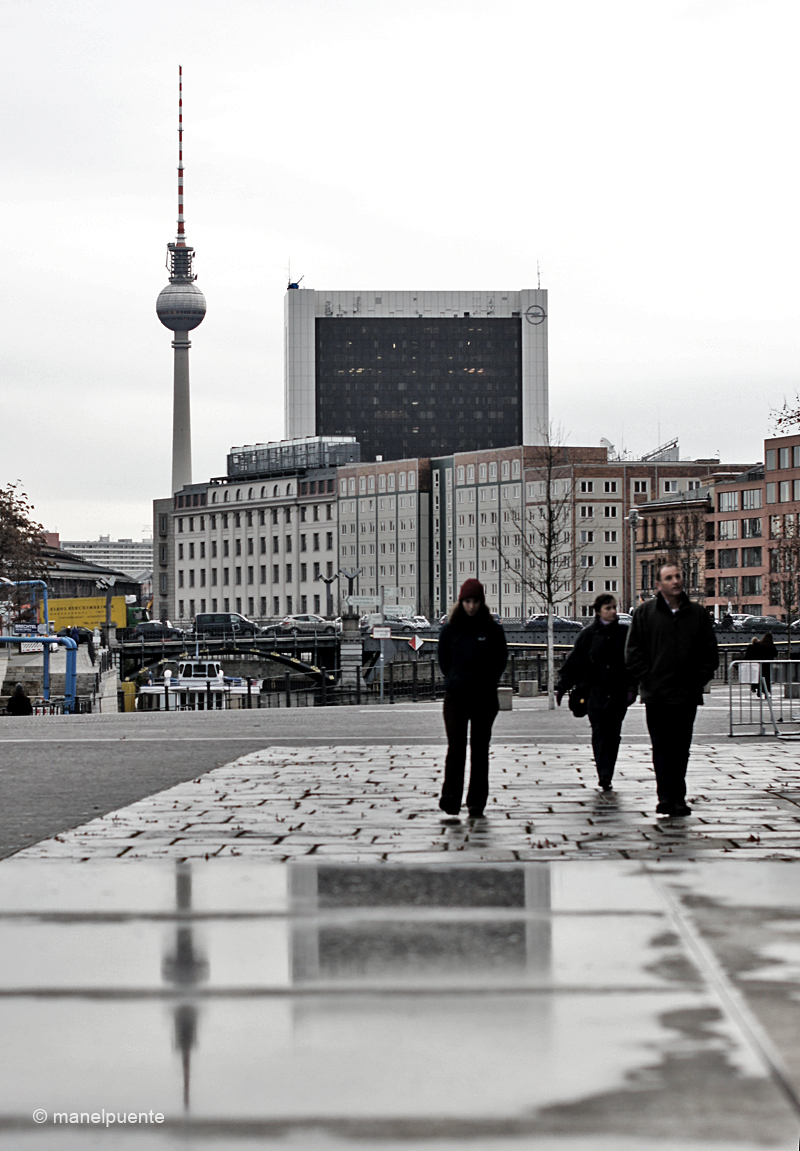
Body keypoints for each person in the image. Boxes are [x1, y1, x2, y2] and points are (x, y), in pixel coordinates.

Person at [625, 562, 718, 817]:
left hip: (686, 694)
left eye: (678, 576)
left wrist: (698, 679)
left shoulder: (697, 614)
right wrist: (648, 679)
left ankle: (678, 797)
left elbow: (710, 653)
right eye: (669, 578)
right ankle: (665, 796)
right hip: (657, 695)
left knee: (681, 748)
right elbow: (633, 653)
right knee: (662, 747)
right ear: (658, 584)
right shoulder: (645, 614)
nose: (675, 581)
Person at [437, 579, 507, 819]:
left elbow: (501, 660)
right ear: (461, 602)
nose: (471, 606)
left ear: (481, 602)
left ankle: (477, 802)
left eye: (475, 601)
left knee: (480, 749)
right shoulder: (449, 629)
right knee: (456, 747)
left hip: (484, 696)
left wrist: (487, 681)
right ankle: (451, 799)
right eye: (467, 601)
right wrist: (456, 678)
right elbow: (444, 661)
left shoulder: (492, 630)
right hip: (456, 695)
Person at [555, 594, 638, 791]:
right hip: (595, 693)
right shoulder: (589, 634)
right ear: (599, 610)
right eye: (608, 608)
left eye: (614, 608)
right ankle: (604, 773)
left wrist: (632, 687)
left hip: (618, 693)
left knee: (613, 734)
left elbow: (634, 662)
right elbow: (575, 662)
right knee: (600, 733)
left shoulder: (625, 633)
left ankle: (608, 768)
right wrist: (562, 686)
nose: (613, 612)